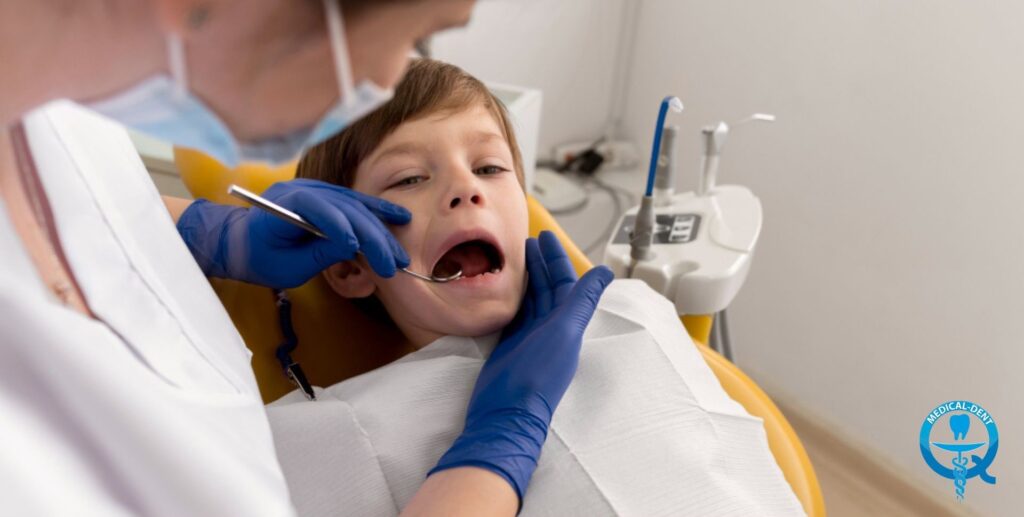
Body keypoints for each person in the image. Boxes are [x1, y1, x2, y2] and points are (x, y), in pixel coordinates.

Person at [0, 1, 610, 515]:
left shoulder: (52, 112)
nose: (392, 72)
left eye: (490, 167)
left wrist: (207, 231)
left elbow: (80, 196)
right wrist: (500, 440)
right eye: (407, 32)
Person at [269, 59, 804, 516]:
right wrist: (499, 435)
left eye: (490, 166)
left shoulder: (635, 312)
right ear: (349, 266)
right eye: (408, 178)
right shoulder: (335, 429)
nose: (466, 188)